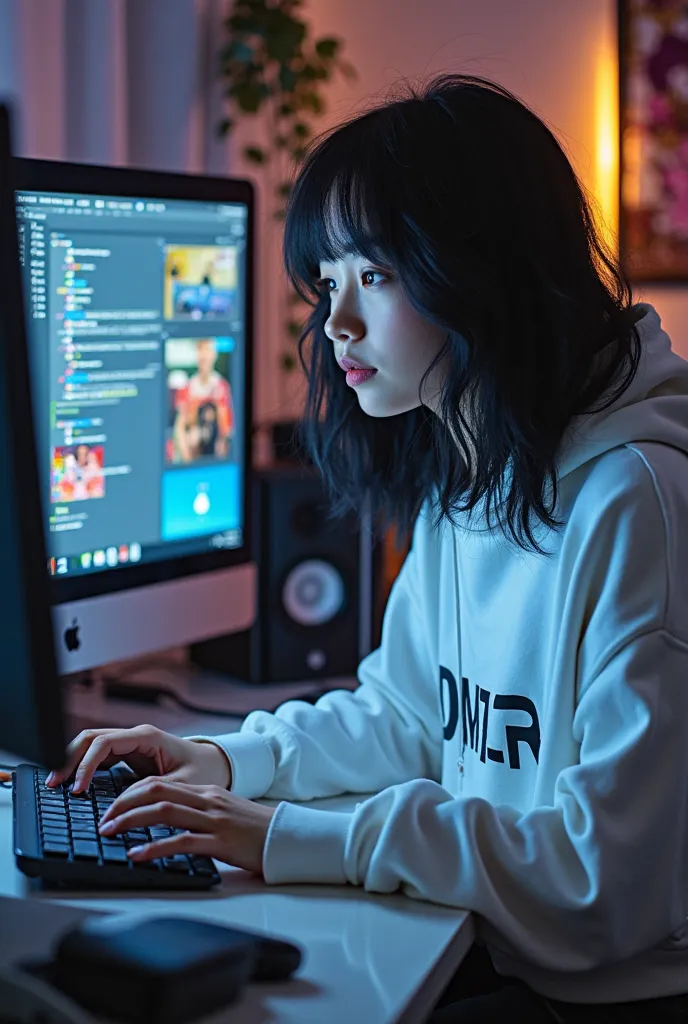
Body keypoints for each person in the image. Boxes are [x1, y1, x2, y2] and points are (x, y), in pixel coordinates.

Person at [47, 76, 688, 1021]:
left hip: (610, 996)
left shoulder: (636, 502)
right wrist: (224, 765)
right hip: (515, 956)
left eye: (374, 275)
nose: (335, 325)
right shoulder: (477, 464)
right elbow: (408, 716)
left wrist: (292, 839)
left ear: (482, 266)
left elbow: (603, 886)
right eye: (330, 282)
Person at [172, 338, 234, 462]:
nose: (204, 356)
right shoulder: (187, 388)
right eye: (200, 350)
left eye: (207, 350)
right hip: (193, 457)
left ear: (214, 355)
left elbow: (227, 429)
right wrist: (187, 459)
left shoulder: (222, 387)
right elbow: (179, 428)